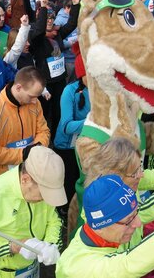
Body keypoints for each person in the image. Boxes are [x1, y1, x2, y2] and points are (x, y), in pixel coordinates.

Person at [0, 146, 65, 277]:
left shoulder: (42, 186)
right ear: (25, 179)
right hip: (2, 273)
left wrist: (50, 245)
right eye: (44, 193)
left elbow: (53, 219)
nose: (47, 199)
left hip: (31, 268)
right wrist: (14, 247)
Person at [0, 67, 50, 181]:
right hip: (0, 178)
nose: (35, 101)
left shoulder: (34, 103)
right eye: (31, 96)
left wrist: (37, 147)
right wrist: (23, 154)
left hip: (28, 171)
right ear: (19, 87)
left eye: (37, 96)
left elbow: (43, 131)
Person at [54, 59, 89, 204]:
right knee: (69, 182)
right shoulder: (70, 91)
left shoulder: (99, 91)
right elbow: (66, 126)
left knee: (83, 181)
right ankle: (64, 211)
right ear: (81, 75)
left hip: (86, 146)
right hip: (67, 147)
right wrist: (93, 121)